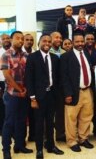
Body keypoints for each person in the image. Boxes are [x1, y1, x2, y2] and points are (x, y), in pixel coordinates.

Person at [25, 34, 64, 159]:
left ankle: (51, 146)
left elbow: (57, 78)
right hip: (38, 97)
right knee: (39, 124)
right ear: (39, 42)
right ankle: (39, 149)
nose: (47, 43)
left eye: (49, 41)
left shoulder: (54, 58)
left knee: (50, 122)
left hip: (51, 96)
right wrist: (32, 98)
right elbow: (29, 79)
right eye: (44, 41)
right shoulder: (32, 57)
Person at [1, 31, 33, 159]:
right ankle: (6, 149)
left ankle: (19, 145)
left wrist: (26, 90)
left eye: (22, 39)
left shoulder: (26, 55)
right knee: (9, 122)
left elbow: (30, 74)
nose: (20, 41)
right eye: (18, 38)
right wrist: (20, 89)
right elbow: (7, 76)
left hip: (24, 94)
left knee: (21, 122)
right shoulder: (6, 55)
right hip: (12, 95)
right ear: (12, 39)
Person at [60, 33, 94, 152]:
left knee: (86, 116)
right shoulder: (66, 57)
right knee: (71, 118)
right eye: (77, 42)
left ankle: (83, 138)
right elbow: (63, 77)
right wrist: (67, 94)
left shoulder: (86, 53)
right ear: (73, 42)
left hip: (87, 90)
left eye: (81, 41)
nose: (80, 44)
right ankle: (72, 141)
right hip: (73, 92)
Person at [0, 34, 11, 136]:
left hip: (13, 83)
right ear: (0, 41)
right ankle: (2, 131)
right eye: (3, 39)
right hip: (2, 83)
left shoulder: (14, 52)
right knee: (2, 108)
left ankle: (12, 131)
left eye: (8, 38)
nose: (6, 40)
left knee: (12, 109)